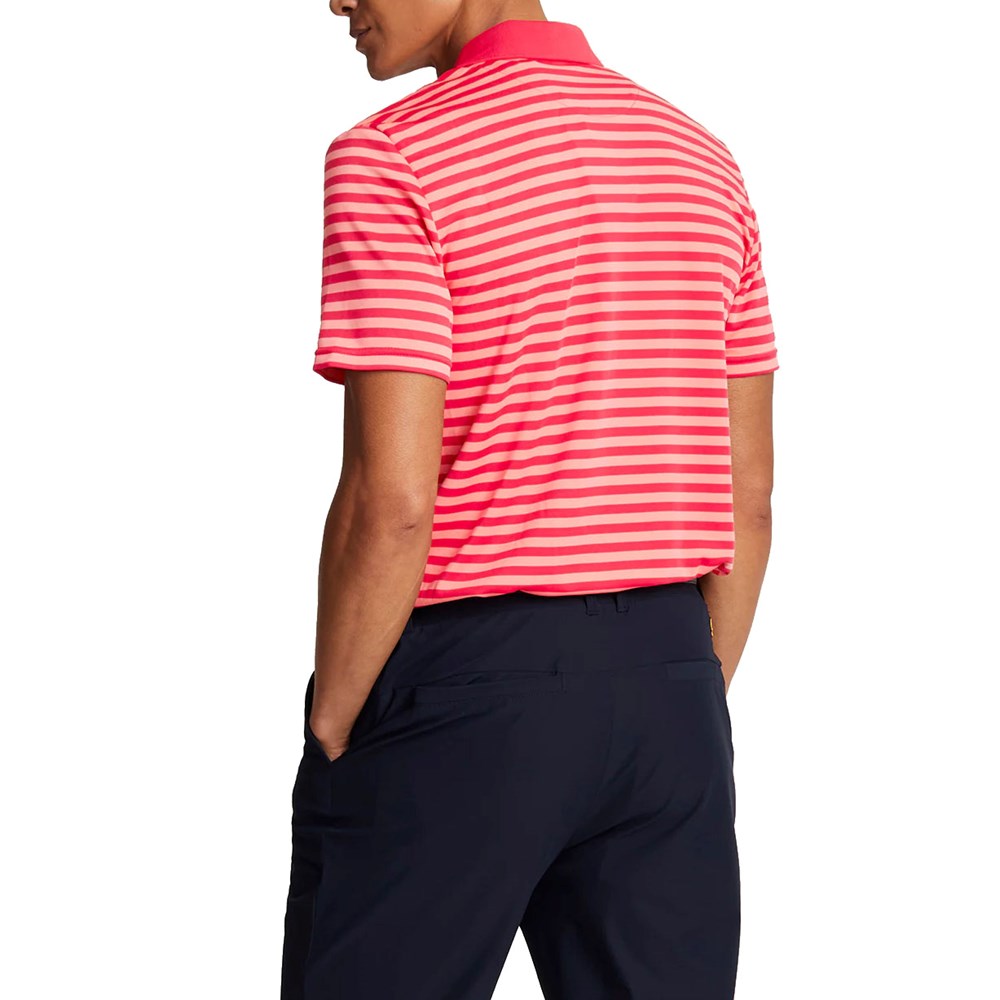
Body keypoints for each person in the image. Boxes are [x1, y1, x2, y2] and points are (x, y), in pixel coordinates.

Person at [280, 2, 778, 997]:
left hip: (465, 684)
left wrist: (335, 713)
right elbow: (749, 491)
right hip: (669, 685)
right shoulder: (699, 159)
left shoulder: (395, 158)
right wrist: (682, 684)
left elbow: (392, 499)